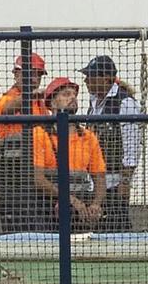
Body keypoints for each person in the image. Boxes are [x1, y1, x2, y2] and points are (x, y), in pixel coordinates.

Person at [29, 77, 106, 232]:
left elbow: (99, 176)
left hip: (82, 201)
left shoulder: (88, 136)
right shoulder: (40, 134)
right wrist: (69, 199)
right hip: (49, 204)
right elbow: (39, 179)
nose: (72, 98)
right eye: (65, 94)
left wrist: (96, 204)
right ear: (52, 103)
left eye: (74, 95)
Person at [82, 56, 141, 234]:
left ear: (106, 78)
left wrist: (125, 180)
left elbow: (132, 145)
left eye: (90, 76)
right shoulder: (94, 103)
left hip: (114, 181)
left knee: (116, 224)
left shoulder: (125, 104)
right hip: (94, 181)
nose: (86, 81)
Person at [0, 54, 48, 231]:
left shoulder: (40, 103)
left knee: (39, 225)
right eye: (30, 74)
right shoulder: (7, 99)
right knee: (15, 227)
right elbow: (6, 109)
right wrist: (31, 96)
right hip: (12, 175)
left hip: (38, 173)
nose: (35, 79)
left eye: (38, 75)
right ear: (16, 74)